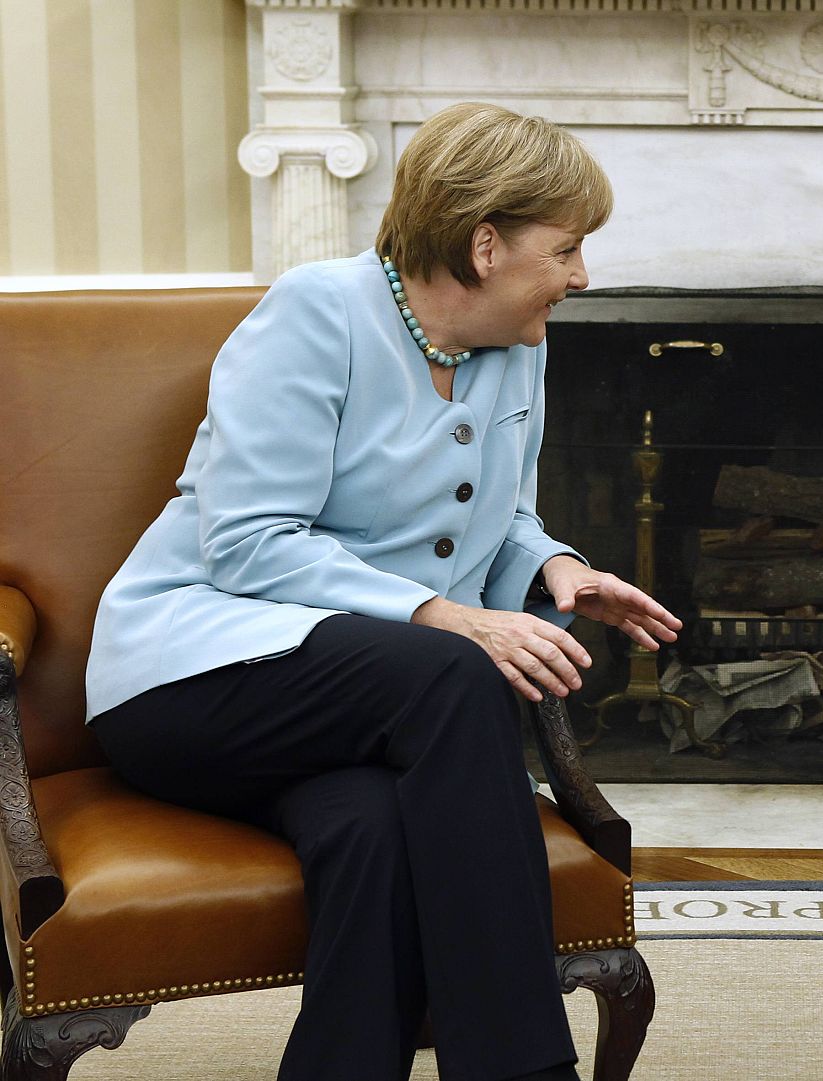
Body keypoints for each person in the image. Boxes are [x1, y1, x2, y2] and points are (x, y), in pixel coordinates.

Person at [84, 103, 679, 1081]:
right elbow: (245, 539)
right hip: (194, 678)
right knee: (455, 674)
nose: (582, 277)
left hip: (364, 705)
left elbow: (504, 516)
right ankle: (525, 1070)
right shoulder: (318, 310)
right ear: (485, 243)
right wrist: (445, 616)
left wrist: (555, 568)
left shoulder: (518, 344)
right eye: (568, 249)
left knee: (374, 829)